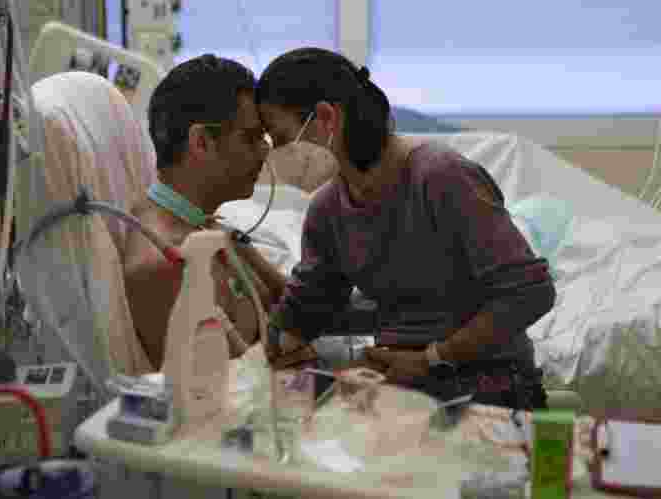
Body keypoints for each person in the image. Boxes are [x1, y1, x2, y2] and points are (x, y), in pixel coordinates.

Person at [256, 47, 556, 409]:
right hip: (403, 386)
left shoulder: (440, 177)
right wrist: (269, 340)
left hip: (490, 386)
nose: (272, 155)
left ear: (324, 118)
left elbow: (531, 292)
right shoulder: (328, 209)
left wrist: (431, 357)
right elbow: (310, 304)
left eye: (280, 138)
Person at [121, 54, 289, 368]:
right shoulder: (166, 266)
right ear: (201, 143)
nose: (266, 149)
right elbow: (222, 401)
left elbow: (288, 298)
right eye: (251, 137)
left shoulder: (201, 222)